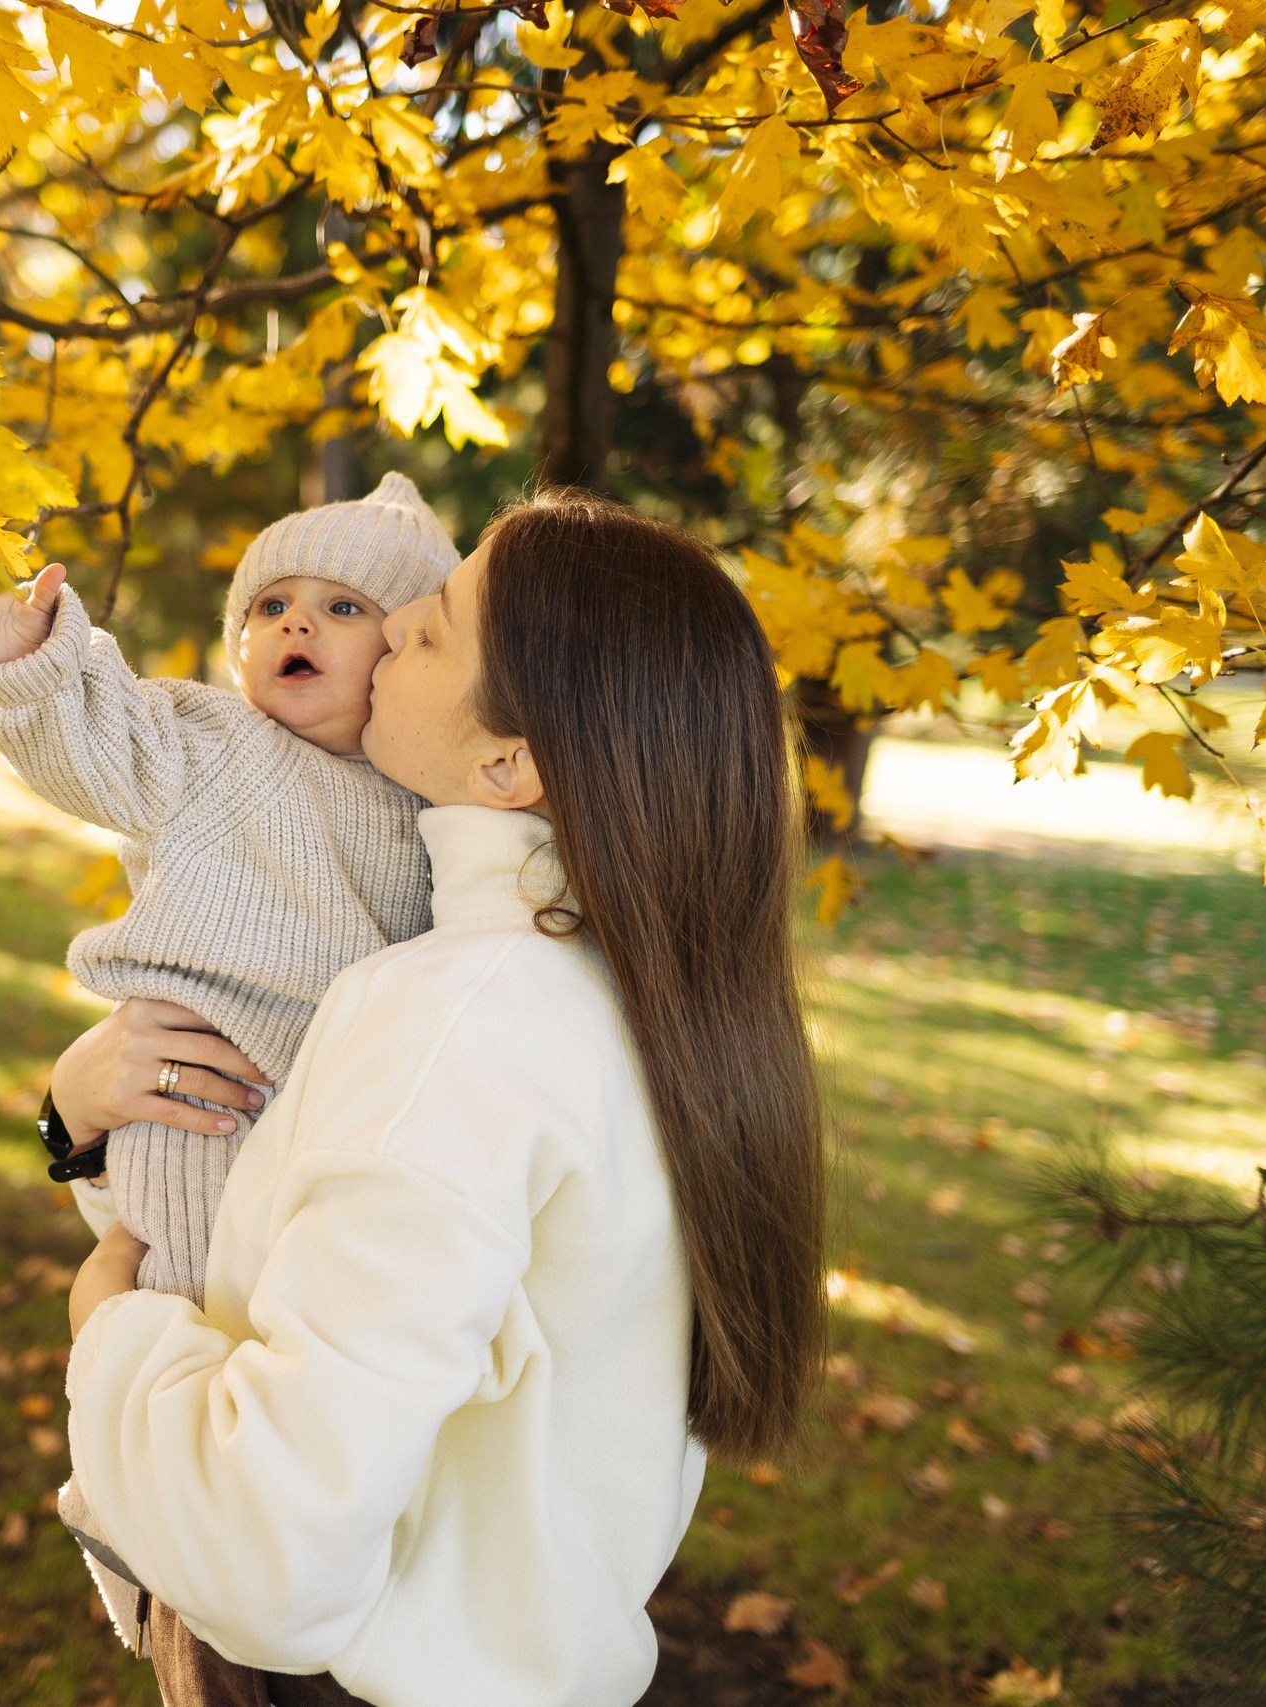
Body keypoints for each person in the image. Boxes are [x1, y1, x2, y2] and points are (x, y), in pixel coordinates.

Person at [52, 490, 826, 1706]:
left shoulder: (455, 1020)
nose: (397, 619)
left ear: (507, 762)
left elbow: (269, 1549)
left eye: (439, 620)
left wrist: (109, 1331)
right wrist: (74, 1117)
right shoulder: (637, 1000)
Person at [0, 472, 461, 1643]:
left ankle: (211, 1530)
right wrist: (33, 662)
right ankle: (148, 1534)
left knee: (291, 1359)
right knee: (185, 1308)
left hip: (323, 1118)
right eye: (269, 607)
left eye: (343, 607)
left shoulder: (433, 802)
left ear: (413, 648)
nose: (294, 624)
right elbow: (101, 742)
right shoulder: (217, 746)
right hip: (200, 1096)